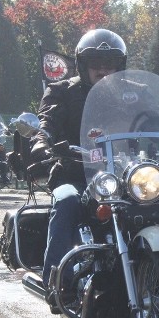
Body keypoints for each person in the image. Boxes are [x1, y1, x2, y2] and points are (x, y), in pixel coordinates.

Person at [28, 28, 127, 295]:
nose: (103, 69)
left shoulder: (134, 92)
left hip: (124, 175)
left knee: (157, 203)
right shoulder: (62, 91)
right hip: (74, 171)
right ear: (83, 65)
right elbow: (47, 120)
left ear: (121, 65)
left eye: (110, 63)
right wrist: (42, 140)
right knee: (68, 201)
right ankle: (56, 282)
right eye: (96, 63)